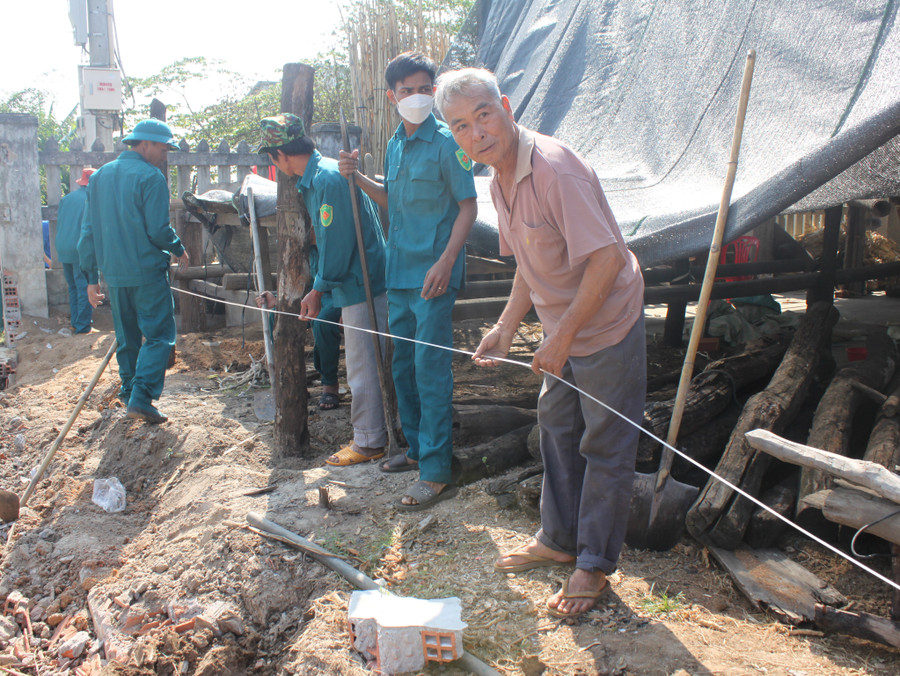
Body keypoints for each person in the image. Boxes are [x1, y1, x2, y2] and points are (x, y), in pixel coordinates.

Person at [436, 68, 646, 618]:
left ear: (506, 107)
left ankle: (593, 563)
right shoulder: (498, 178)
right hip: (564, 330)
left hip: (607, 324)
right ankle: (558, 538)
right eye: (460, 126)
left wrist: (563, 337)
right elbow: (530, 264)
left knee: (605, 444)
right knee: (556, 428)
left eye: (483, 115)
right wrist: (507, 327)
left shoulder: (555, 170)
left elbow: (607, 260)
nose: (476, 132)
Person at [339, 51, 477, 511]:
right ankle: (417, 448)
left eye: (423, 89)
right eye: (406, 90)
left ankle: (436, 471)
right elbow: (391, 201)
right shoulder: (395, 144)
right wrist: (357, 177)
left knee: (429, 369)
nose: (416, 96)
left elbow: (468, 207)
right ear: (391, 97)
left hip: (434, 277)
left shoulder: (448, 143)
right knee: (402, 367)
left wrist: (447, 261)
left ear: (433, 91)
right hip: (398, 275)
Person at [258, 113, 388, 464]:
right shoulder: (321, 175)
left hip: (360, 282)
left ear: (279, 155)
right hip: (357, 279)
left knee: (362, 364)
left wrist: (317, 291)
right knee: (371, 360)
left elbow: (336, 243)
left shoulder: (326, 179)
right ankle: (385, 431)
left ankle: (369, 440)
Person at [78, 119, 189, 424]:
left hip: (113, 275)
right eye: (163, 148)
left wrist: (90, 278)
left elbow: (87, 232)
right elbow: (158, 230)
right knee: (159, 335)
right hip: (147, 272)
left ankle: (129, 394)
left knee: (126, 336)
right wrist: (178, 248)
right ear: (145, 144)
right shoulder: (151, 177)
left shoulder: (99, 177)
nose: (165, 155)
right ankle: (141, 398)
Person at [255, 236, 343, 410]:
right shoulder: (298, 245)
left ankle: (330, 384)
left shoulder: (334, 239)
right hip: (310, 296)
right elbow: (297, 282)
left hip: (340, 295)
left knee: (322, 321)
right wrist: (278, 298)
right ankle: (291, 380)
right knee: (278, 315)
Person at [56, 168, 95, 333]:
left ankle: (75, 322)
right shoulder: (91, 199)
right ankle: (83, 326)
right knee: (84, 287)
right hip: (79, 249)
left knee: (73, 286)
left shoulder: (67, 199)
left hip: (63, 247)